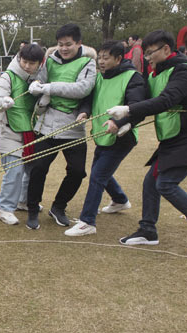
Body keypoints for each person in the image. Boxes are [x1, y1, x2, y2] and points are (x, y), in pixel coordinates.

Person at [107, 29, 187, 254]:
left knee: (165, 184)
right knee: (151, 182)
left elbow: (166, 100)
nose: (147, 58)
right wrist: (127, 122)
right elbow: (148, 102)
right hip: (172, 138)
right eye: (146, 54)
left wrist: (128, 109)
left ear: (166, 49)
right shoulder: (155, 74)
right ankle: (148, 230)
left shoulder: (184, 70)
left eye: (150, 53)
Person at [65, 40, 145, 237]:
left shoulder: (133, 77)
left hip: (121, 137)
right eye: (99, 57)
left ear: (118, 59)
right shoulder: (100, 77)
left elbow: (138, 106)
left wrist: (118, 122)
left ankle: (87, 222)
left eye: (105, 58)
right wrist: (85, 112)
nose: (101, 61)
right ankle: (120, 200)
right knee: (100, 172)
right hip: (102, 135)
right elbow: (90, 99)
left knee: (97, 176)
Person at [25, 23, 97, 230]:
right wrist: (37, 85)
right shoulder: (51, 60)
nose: (63, 49)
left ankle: (58, 206)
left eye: (68, 44)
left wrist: (48, 87)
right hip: (46, 124)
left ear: (79, 43)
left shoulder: (87, 63)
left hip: (73, 125)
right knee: (38, 168)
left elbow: (82, 89)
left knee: (77, 171)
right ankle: (32, 209)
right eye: (60, 44)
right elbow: (39, 81)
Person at [0, 43, 45, 226]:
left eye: (32, 63)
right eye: (24, 61)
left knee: (30, 168)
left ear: (39, 63)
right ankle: (4, 208)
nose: (27, 66)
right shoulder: (8, 76)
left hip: (31, 131)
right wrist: (3, 102)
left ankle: (23, 200)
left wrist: (43, 94)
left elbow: (44, 103)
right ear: (19, 59)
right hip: (8, 130)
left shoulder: (41, 77)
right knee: (14, 170)